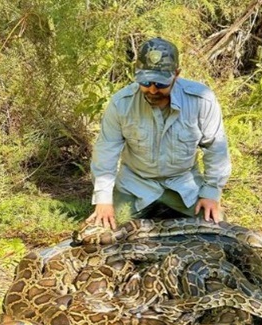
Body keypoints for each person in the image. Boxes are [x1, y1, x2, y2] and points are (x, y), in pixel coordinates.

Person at [86, 37, 231, 230]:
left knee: (215, 228)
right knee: (107, 230)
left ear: (176, 74)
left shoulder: (202, 100)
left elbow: (216, 148)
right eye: (146, 82)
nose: (152, 89)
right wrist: (103, 200)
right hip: (136, 184)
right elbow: (106, 152)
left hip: (183, 184)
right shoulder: (121, 103)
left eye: (161, 83)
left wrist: (211, 193)